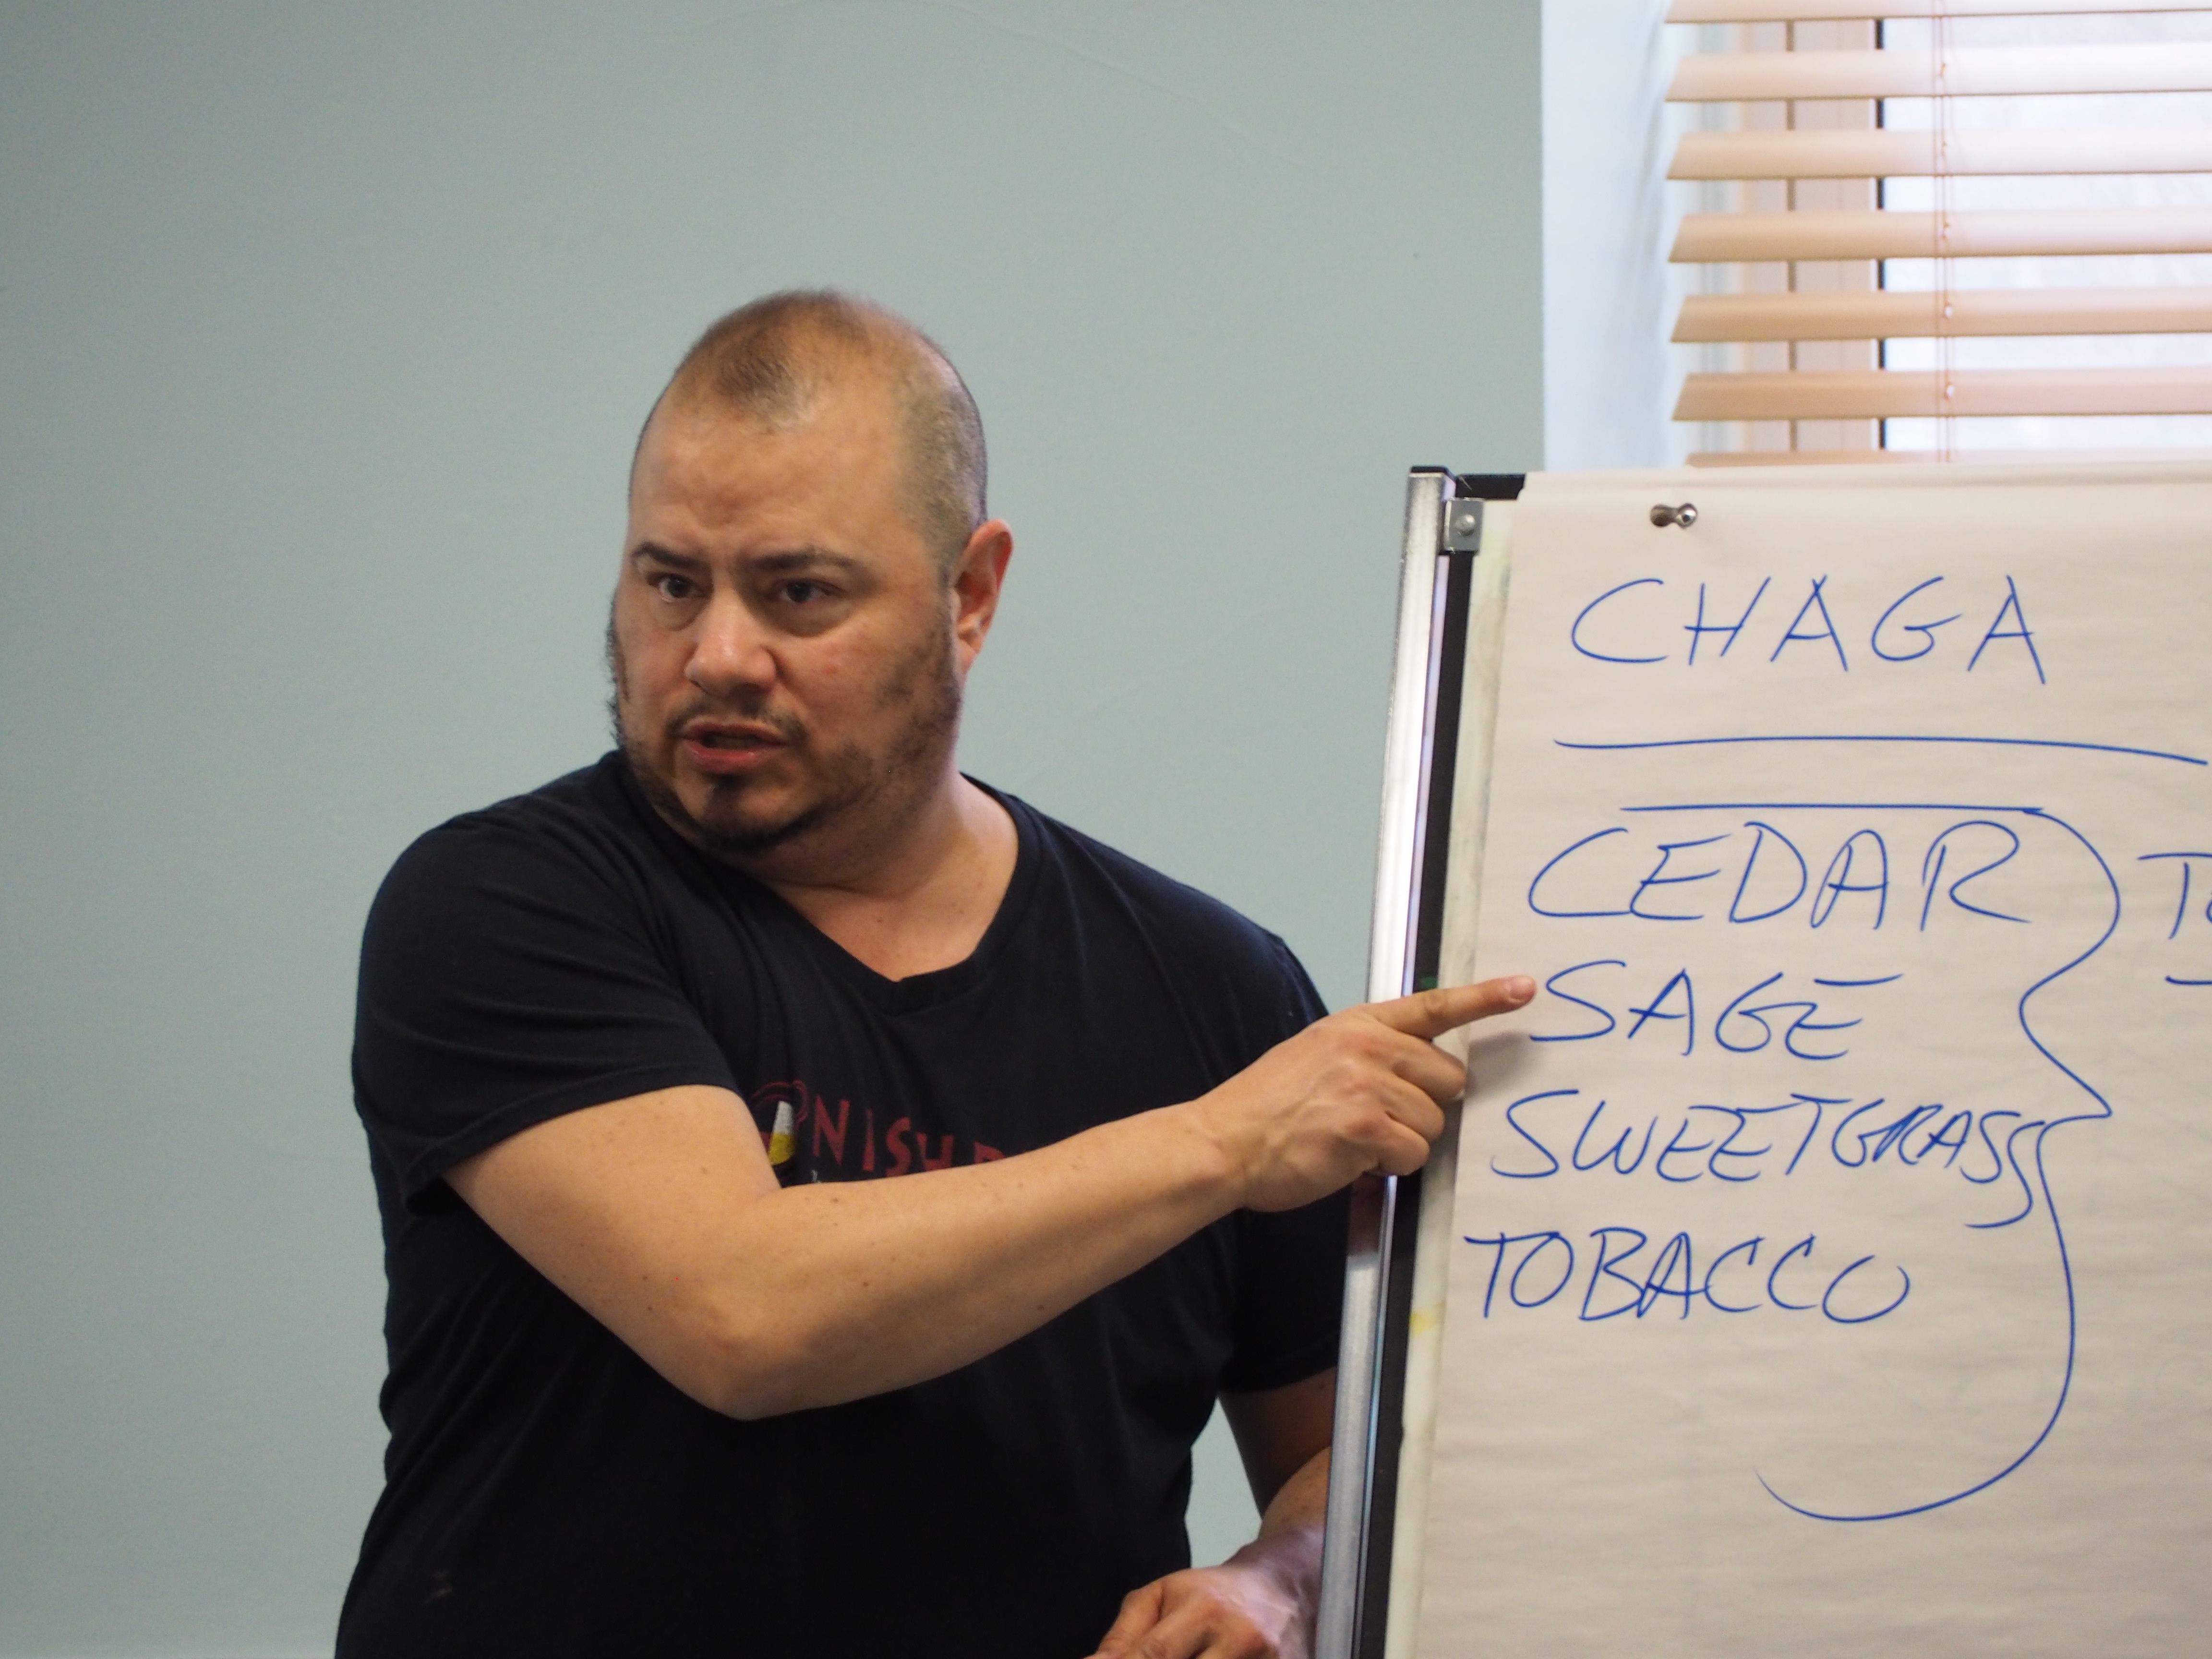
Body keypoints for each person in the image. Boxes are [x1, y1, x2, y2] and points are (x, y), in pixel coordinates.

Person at [338, 289, 1531, 1659]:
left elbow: (1352, 1468)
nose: (718, 655)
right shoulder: (502, 905)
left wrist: (1279, 1581)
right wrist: (1218, 1143)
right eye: (672, 582)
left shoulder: (1213, 990)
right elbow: (746, 1313)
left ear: (969, 596)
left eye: (798, 593)